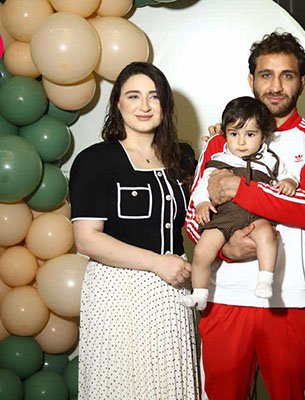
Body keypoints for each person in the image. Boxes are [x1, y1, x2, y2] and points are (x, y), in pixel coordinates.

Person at [184, 32, 305, 399]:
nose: (275, 86)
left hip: (289, 299)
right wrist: (226, 249)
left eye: (287, 75)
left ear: (302, 82)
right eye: (266, 75)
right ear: (251, 80)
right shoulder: (220, 141)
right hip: (224, 296)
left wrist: (236, 188)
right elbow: (194, 217)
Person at [69, 62, 199, 399]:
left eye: (154, 96)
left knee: (168, 384)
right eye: (133, 96)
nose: (144, 106)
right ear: (118, 103)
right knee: (124, 385)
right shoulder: (95, 160)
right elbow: (87, 239)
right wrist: (157, 263)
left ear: (165, 104)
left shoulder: (183, 157)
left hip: (172, 287)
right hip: (118, 290)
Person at [181, 96, 298, 309]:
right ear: (225, 134)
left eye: (250, 134)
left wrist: (289, 182)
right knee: (202, 250)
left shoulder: (269, 160)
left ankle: (265, 279)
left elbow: (286, 175)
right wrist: (201, 203)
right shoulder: (219, 159)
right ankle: (199, 293)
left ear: (263, 136)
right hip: (224, 217)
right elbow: (202, 186)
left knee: (267, 235)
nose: (241, 142)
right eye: (234, 134)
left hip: (256, 216)